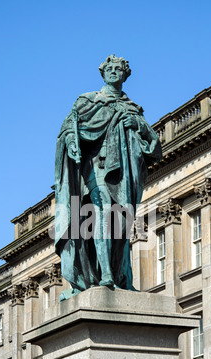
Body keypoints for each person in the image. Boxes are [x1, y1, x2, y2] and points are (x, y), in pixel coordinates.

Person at [54, 55, 162, 300]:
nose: (114, 72)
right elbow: (69, 128)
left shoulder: (133, 108)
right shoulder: (88, 101)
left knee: (122, 225)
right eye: (110, 69)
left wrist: (139, 125)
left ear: (125, 75)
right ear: (103, 73)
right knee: (102, 214)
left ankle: (120, 275)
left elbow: (155, 148)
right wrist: (72, 143)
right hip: (98, 168)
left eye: (119, 69)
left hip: (126, 173)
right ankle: (106, 275)